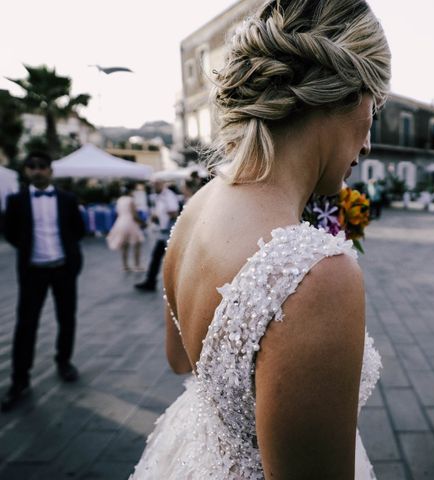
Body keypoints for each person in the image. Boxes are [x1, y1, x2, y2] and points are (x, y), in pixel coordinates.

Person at [129, 1, 391, 478]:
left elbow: (178, 360)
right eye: (376, 106)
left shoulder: (197, 207)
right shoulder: (316, 275)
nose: (369, 142)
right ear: (346, 93)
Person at [1, 151, 85, 412]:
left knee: (66, 318)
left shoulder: (67, 199)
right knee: (26, 324)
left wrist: (70, 259)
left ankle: (64, 362)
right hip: (33, 271)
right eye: (32, 167)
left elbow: (78, 230)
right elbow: (10, 232)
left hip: (63, 268)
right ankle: (19, 379)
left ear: (50, 170)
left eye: (41, 166)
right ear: (26, 171)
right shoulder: (16, 201)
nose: (37, 170)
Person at [134, 180, 179, 291]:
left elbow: (173, 212)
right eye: (153, 185)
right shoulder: (160, 196)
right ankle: (151, 281)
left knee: (162, 257)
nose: (154, 187)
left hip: (168, 231)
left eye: (156, 184)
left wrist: (164, 219)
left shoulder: (168, 195)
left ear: (162, 184)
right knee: (158, 257)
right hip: (164, 230)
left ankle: (152, 282)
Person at [106, 183, 145, 271]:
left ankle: (125, 265)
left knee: (125, 245)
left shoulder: (120, 200)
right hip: (130, 223)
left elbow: (117, 212)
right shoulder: (131, 200)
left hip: (120, 222)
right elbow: (134, 215)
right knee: (137, 243)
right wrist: (142, 222)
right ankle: (137, 265)